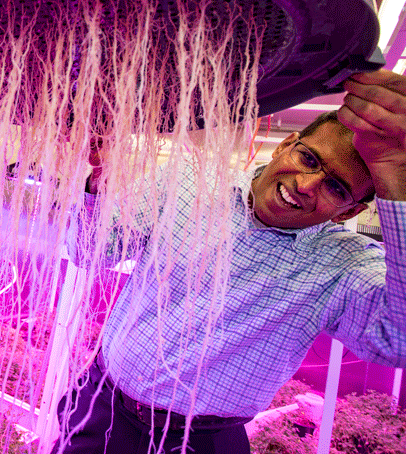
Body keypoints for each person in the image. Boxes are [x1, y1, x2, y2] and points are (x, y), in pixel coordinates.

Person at [55, 69, 406, 454]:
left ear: (349, 212)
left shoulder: (345, 266)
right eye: (308, 158)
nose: (306, 185)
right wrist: (101, 179)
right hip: (103, 407)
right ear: (286, 144)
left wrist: (396, 178)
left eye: (335, 188)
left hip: (201, 441)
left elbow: (399, 340)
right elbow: (90, 252)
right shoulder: (187, 181)